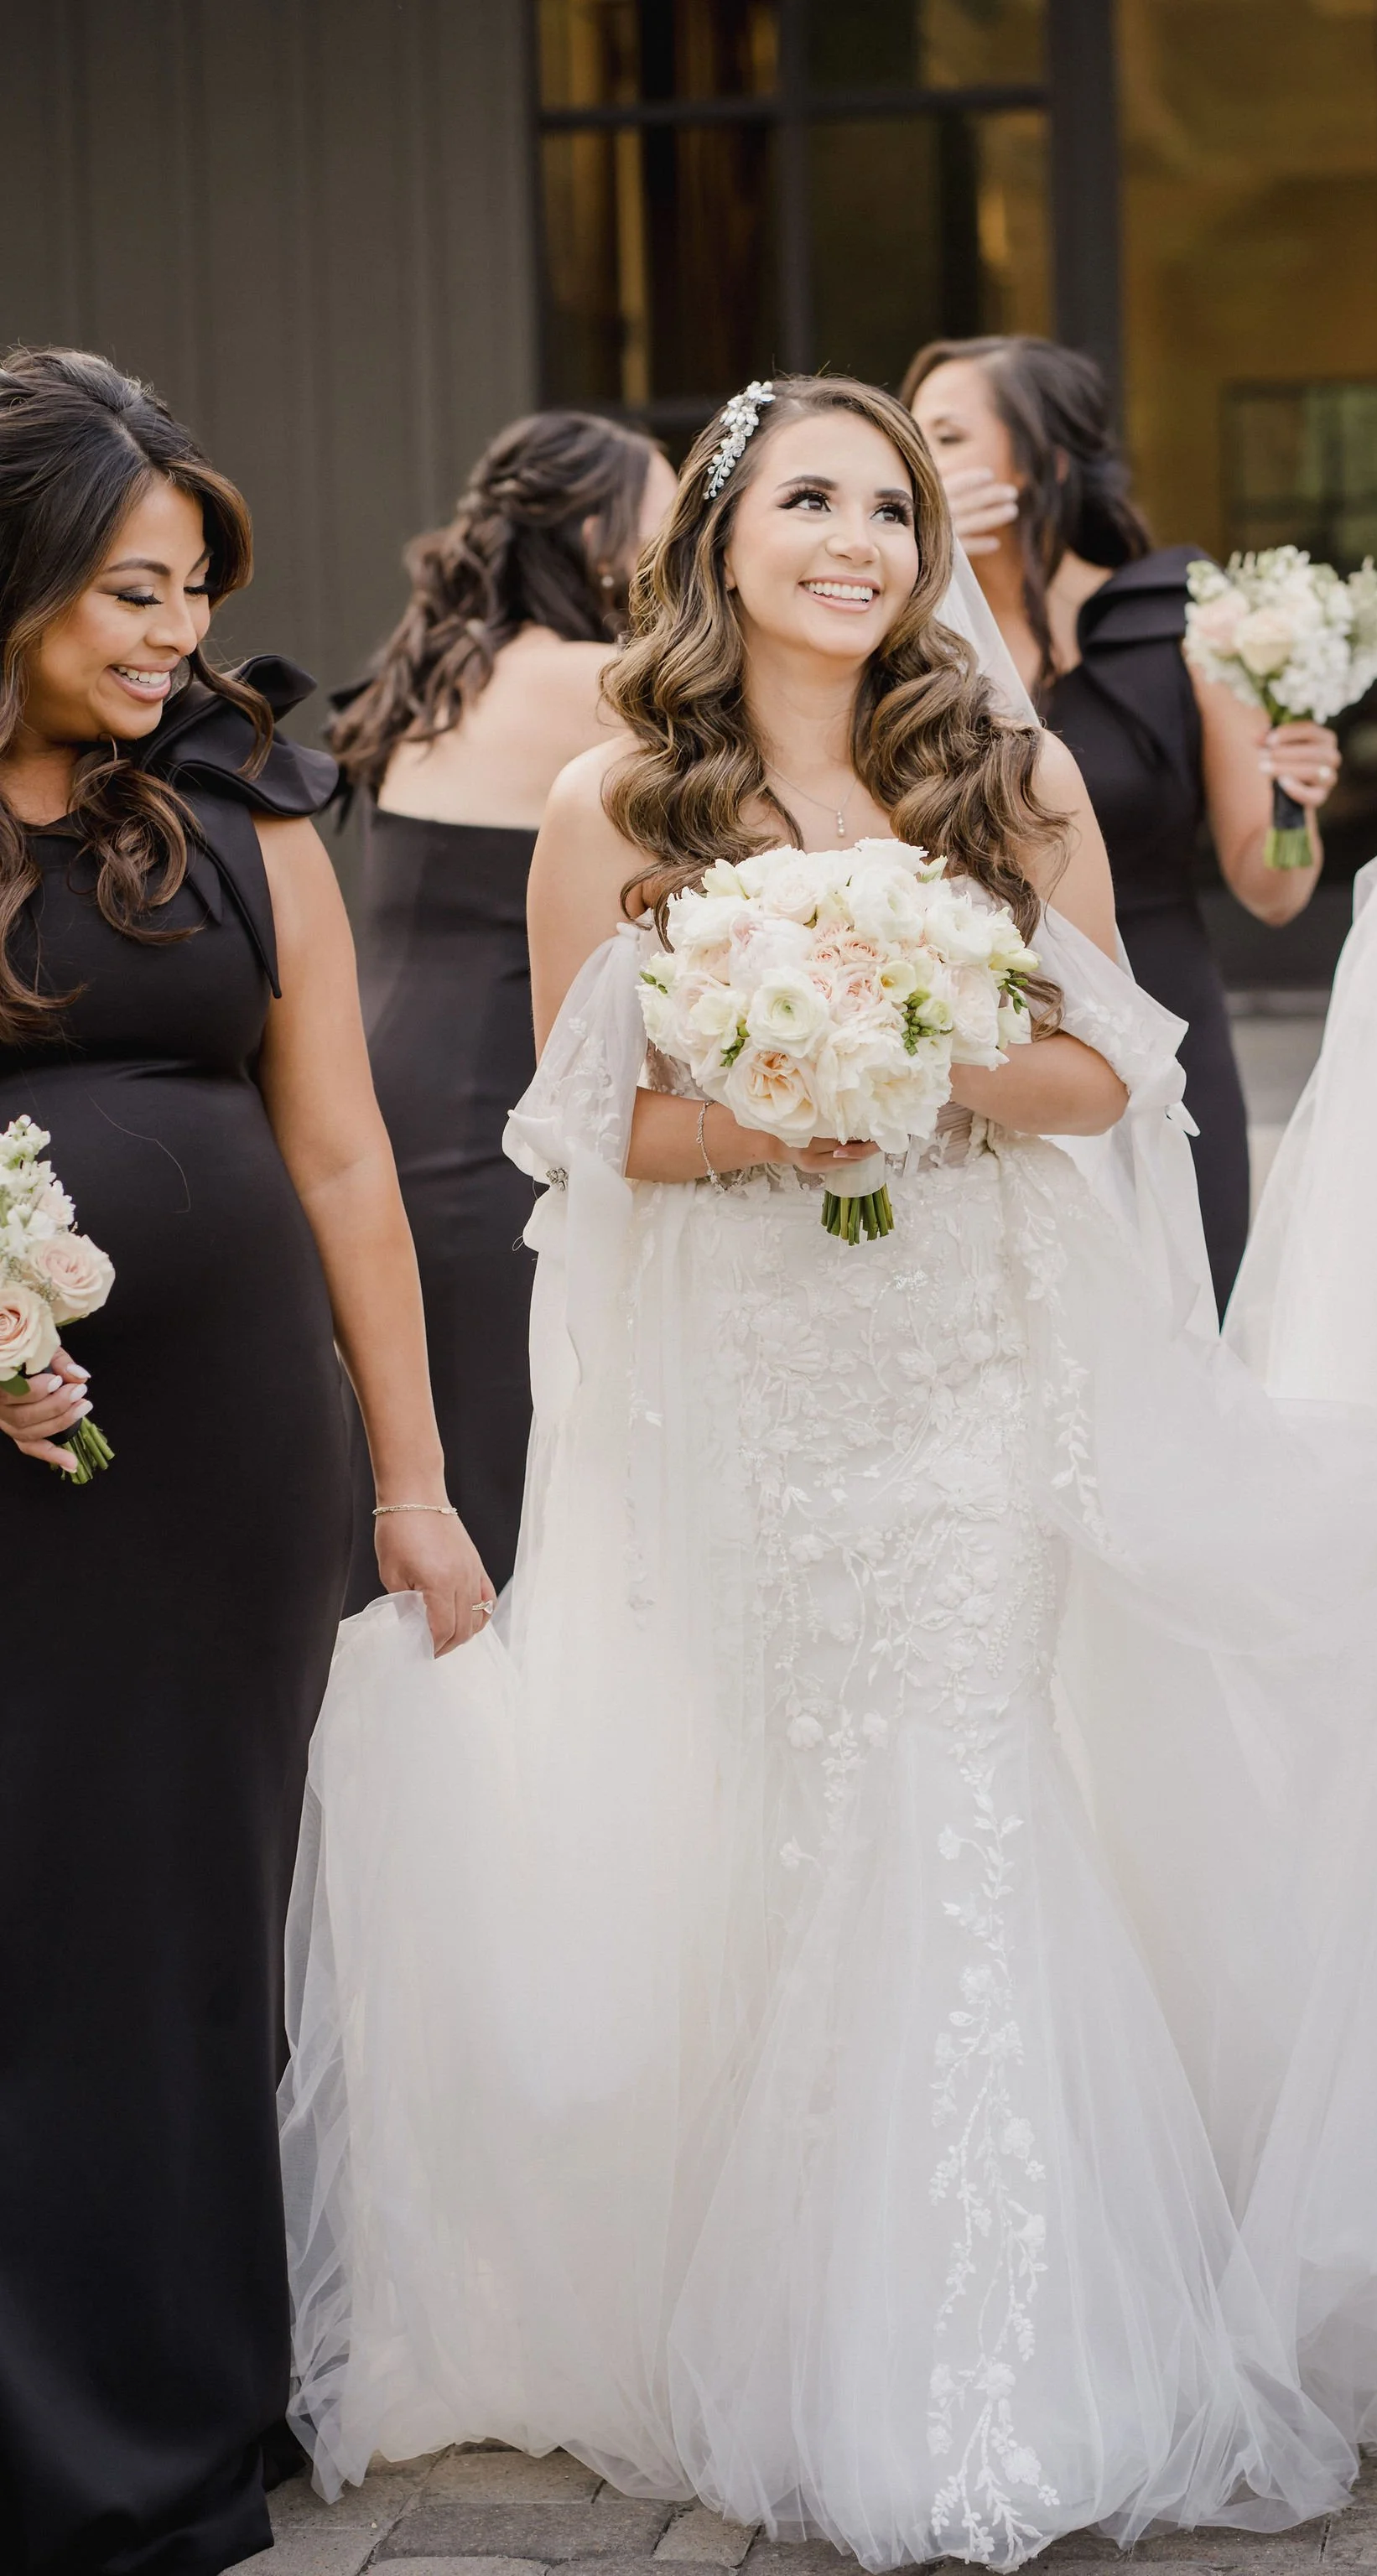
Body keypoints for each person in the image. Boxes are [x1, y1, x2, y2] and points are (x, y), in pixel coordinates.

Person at [279, 376, 1377, 2568]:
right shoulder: (617, 800)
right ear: (720, 535)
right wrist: (791, 1113)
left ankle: (1017, 2359)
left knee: (968, 1776)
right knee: (800, 1800)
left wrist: (921, 1059)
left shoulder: (996, 776)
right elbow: (585, 1126)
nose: (858, 542)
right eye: (810, 499)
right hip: (759, 1375)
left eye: (888, 507)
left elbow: (1112, 1076)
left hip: (968, 1368)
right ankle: (800, 2313)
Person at [0, 347, 491, 2576]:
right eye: (124, 589)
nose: (168, 634)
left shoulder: (246, 801)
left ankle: (188, 2401)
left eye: (188, 590)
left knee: (197, 1925)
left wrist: (412, 1480)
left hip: (218, 1476)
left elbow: (350, 1164)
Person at [902, 335, 1341, 1311]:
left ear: (1042, 462)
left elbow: (1271, 893)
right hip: (978, 1044)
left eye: (944, 436)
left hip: (1158, 1018)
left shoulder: (1180, 618)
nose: (914, 465)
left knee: (1185, 1322)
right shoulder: (902, 643)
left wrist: (1291, 805)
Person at [329, 410, 675, 1594]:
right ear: (595, 533)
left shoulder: (434, 661)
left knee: (419, 1450)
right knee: (504, 1469)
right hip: (491, 1110)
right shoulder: (600, 684)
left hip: (383, 1084)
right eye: (669, 521)